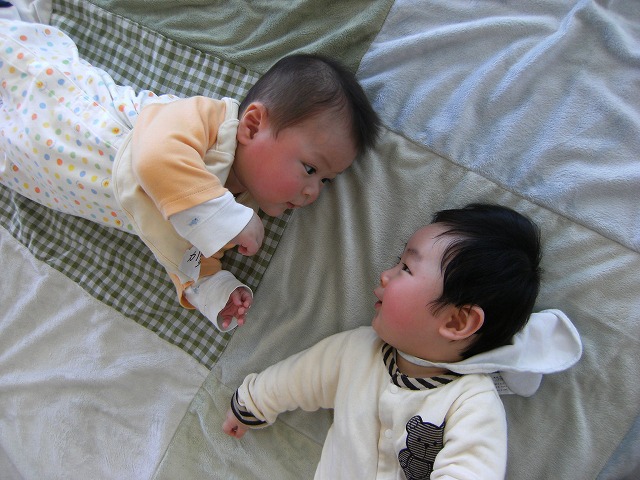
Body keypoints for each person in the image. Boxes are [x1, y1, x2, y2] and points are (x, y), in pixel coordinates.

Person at [0, 19, 381, 331]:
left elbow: (180, 247)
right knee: (19, 62)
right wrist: (226, 218)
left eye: (326, 180)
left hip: (38, 172)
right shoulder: (210, 122)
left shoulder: (236, 207)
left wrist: (214, 287)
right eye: (310, 169)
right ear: (252, 126)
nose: (314, 192)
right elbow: (154, 157)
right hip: (65, 112)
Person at [222, 204, 583, 479]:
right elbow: (300, 377)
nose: (385, 274)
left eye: (406, 268)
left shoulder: (470, 402)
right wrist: (252, 403)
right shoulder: (357, 352)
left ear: (457, 321)